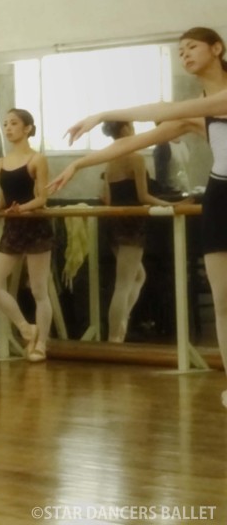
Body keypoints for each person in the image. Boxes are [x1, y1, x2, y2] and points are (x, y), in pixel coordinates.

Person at [53, 26, 227, 409]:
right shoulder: (197, 112)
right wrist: (80, 162)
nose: (184, 54)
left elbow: (165, 110)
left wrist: (104, 113)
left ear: (217, 48)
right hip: (221, 196)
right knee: (222, 300)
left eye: (192, 47)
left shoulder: (207, 104)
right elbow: (133, 142)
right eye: (179, 50)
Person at [0, 109, 53, 362]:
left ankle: (41, 345)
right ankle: (26, 328)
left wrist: (22, 209)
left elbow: (42, 198)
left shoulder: (37, 160)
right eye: (5, 124)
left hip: (35, 227)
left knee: (39, 290)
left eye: (14, 123)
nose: (8, 128)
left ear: (27, 128)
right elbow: (3, 202)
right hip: (13, 228)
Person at [98, 121, 175, 342]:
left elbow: (107, 198)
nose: (134, 130)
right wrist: (171, 205)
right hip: (131, 224)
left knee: (139, 276)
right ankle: (114, 338)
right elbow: (143, 196)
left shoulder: (110, 161)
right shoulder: (136, 158)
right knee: (123, 283)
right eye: (131, 126)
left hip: (114, 223)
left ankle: (122, 322)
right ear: (125, 130)